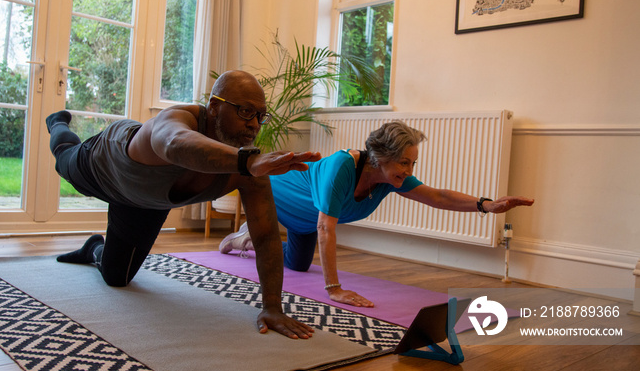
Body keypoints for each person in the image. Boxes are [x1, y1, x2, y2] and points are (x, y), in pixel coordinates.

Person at [47, 70, 320, 340]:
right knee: (63, 159)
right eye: (246, 112)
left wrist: (272, 307)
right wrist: (246, 162)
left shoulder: (248, 167)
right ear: (214, 107)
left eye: (261, 116)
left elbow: (266, 236)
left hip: (144, 202)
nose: (255, 125)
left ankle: (93, 247)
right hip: (106, 163)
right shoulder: (178, 119)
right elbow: (174, 142)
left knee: (117, 277)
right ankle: (58, 123)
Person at [219, 121, 534, 308]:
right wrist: (334, 289)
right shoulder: (342, 166)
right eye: (404, 163)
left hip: (306, 222)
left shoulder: (389, 179)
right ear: (382, 157)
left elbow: (436, 195)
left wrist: (486, 205)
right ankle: (255, 234)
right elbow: (326, 229)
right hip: (278, 196)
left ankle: (246, 237)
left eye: (413, 164)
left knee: (299, 265)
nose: (409, 171)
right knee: (279, 246)